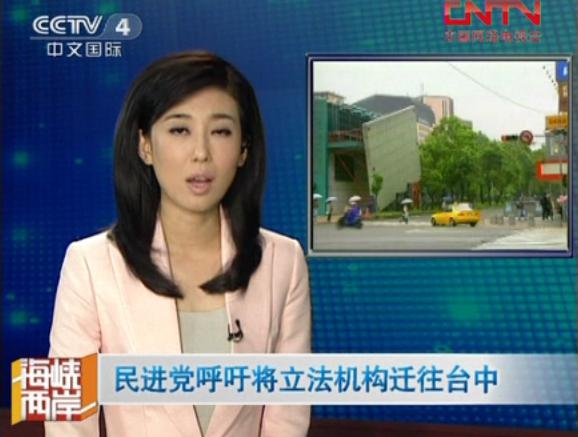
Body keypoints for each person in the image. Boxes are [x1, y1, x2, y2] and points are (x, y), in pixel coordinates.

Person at [45, 51, 311, 437]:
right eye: (180, 130)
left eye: (221, 131)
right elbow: (65, 417)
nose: (201, 153)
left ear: (243, 149)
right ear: (145, 145)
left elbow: (288, 414)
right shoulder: (88, 263)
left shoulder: (283, 261)